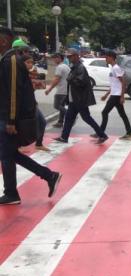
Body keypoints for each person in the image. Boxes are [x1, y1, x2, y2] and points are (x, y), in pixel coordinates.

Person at [0, 27, 62, 205]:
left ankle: (14, 192)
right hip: (7, 116)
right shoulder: (8, 59)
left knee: (7, 154)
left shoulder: (11, 60)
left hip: (10, 118)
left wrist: (11, 120)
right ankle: (47, 177)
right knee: (9, 154)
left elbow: (13, 92)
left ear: (4, 40)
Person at [53, 48, 108, 144]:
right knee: (69, 118)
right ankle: (64, 137)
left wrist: (70, 79)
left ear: (76, 56)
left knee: (86, 118)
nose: (69, 58)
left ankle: (102, 135)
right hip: (74, 99)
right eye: (68, 56)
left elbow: (81, 82)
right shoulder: (75, 66)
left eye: (70, 56)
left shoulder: (80, 67)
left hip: (79, 100)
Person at [95, 51, 131, 140]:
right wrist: (106, 94)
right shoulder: (113, 68)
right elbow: (115, 85)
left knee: (104, 112)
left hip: (117, 95)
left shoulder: (116, 68)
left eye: (106, 57)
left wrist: (122, 96)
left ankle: (100, 133)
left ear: (111, 57)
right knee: (122, 114)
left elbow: (123, 83)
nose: (105, 59)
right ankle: (129, 133)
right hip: (115, 94)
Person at [21, 53, 50, 152]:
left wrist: (37, 82)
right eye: (27, 62)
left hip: (32, 103)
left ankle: (38, 143)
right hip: (22, 104)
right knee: (21, 125)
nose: (30, 64)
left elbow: (36, 88)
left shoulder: (31, 74)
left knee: (42, 121)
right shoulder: (19, 74)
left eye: (31, 62)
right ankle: (19, 146)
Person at [44, 52, 69, 128]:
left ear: (60, 58)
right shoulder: (66, 66)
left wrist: (49, 89)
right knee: (61, 106)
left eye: (56, 57)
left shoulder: (60, 67)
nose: (54, 59)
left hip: (61, 90)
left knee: (57, 105)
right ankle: (60, 122)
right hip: (66, 89)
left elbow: (56, 79)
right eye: (53, 57)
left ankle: (70, 115)